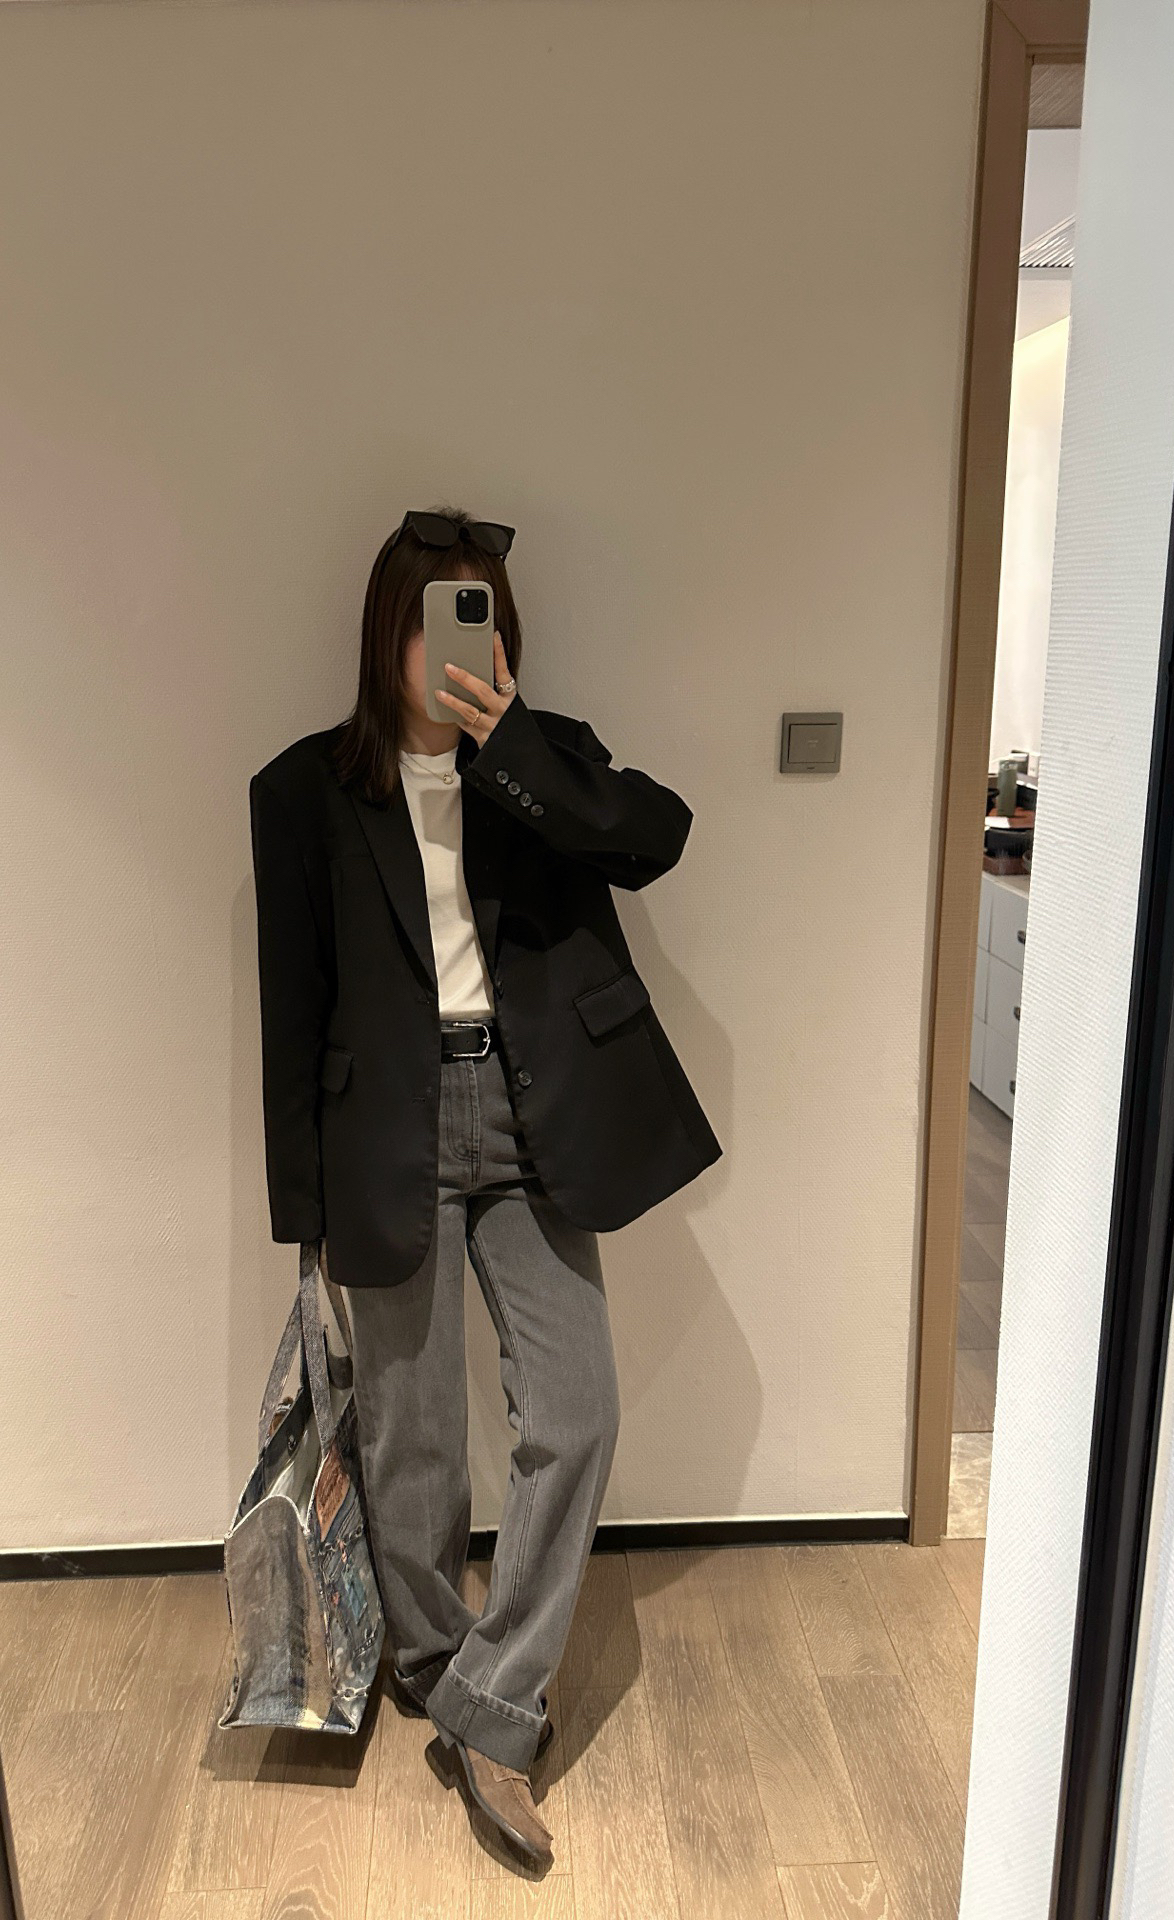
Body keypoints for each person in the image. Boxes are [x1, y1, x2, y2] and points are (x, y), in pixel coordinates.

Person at [249, 506, 721, 1865]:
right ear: (386, 633)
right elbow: (294, 1011)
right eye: (437, 618)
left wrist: (510, 748)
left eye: (485, 617)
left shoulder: (544, 759)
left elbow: (654, 835)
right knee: (414, 1443)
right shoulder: (302, 791)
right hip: (384, 1132)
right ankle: (438, 1667)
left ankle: (492, 1707)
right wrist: (303, 1213)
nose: (462, 642)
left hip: (533, 1117)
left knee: (576, 1411)